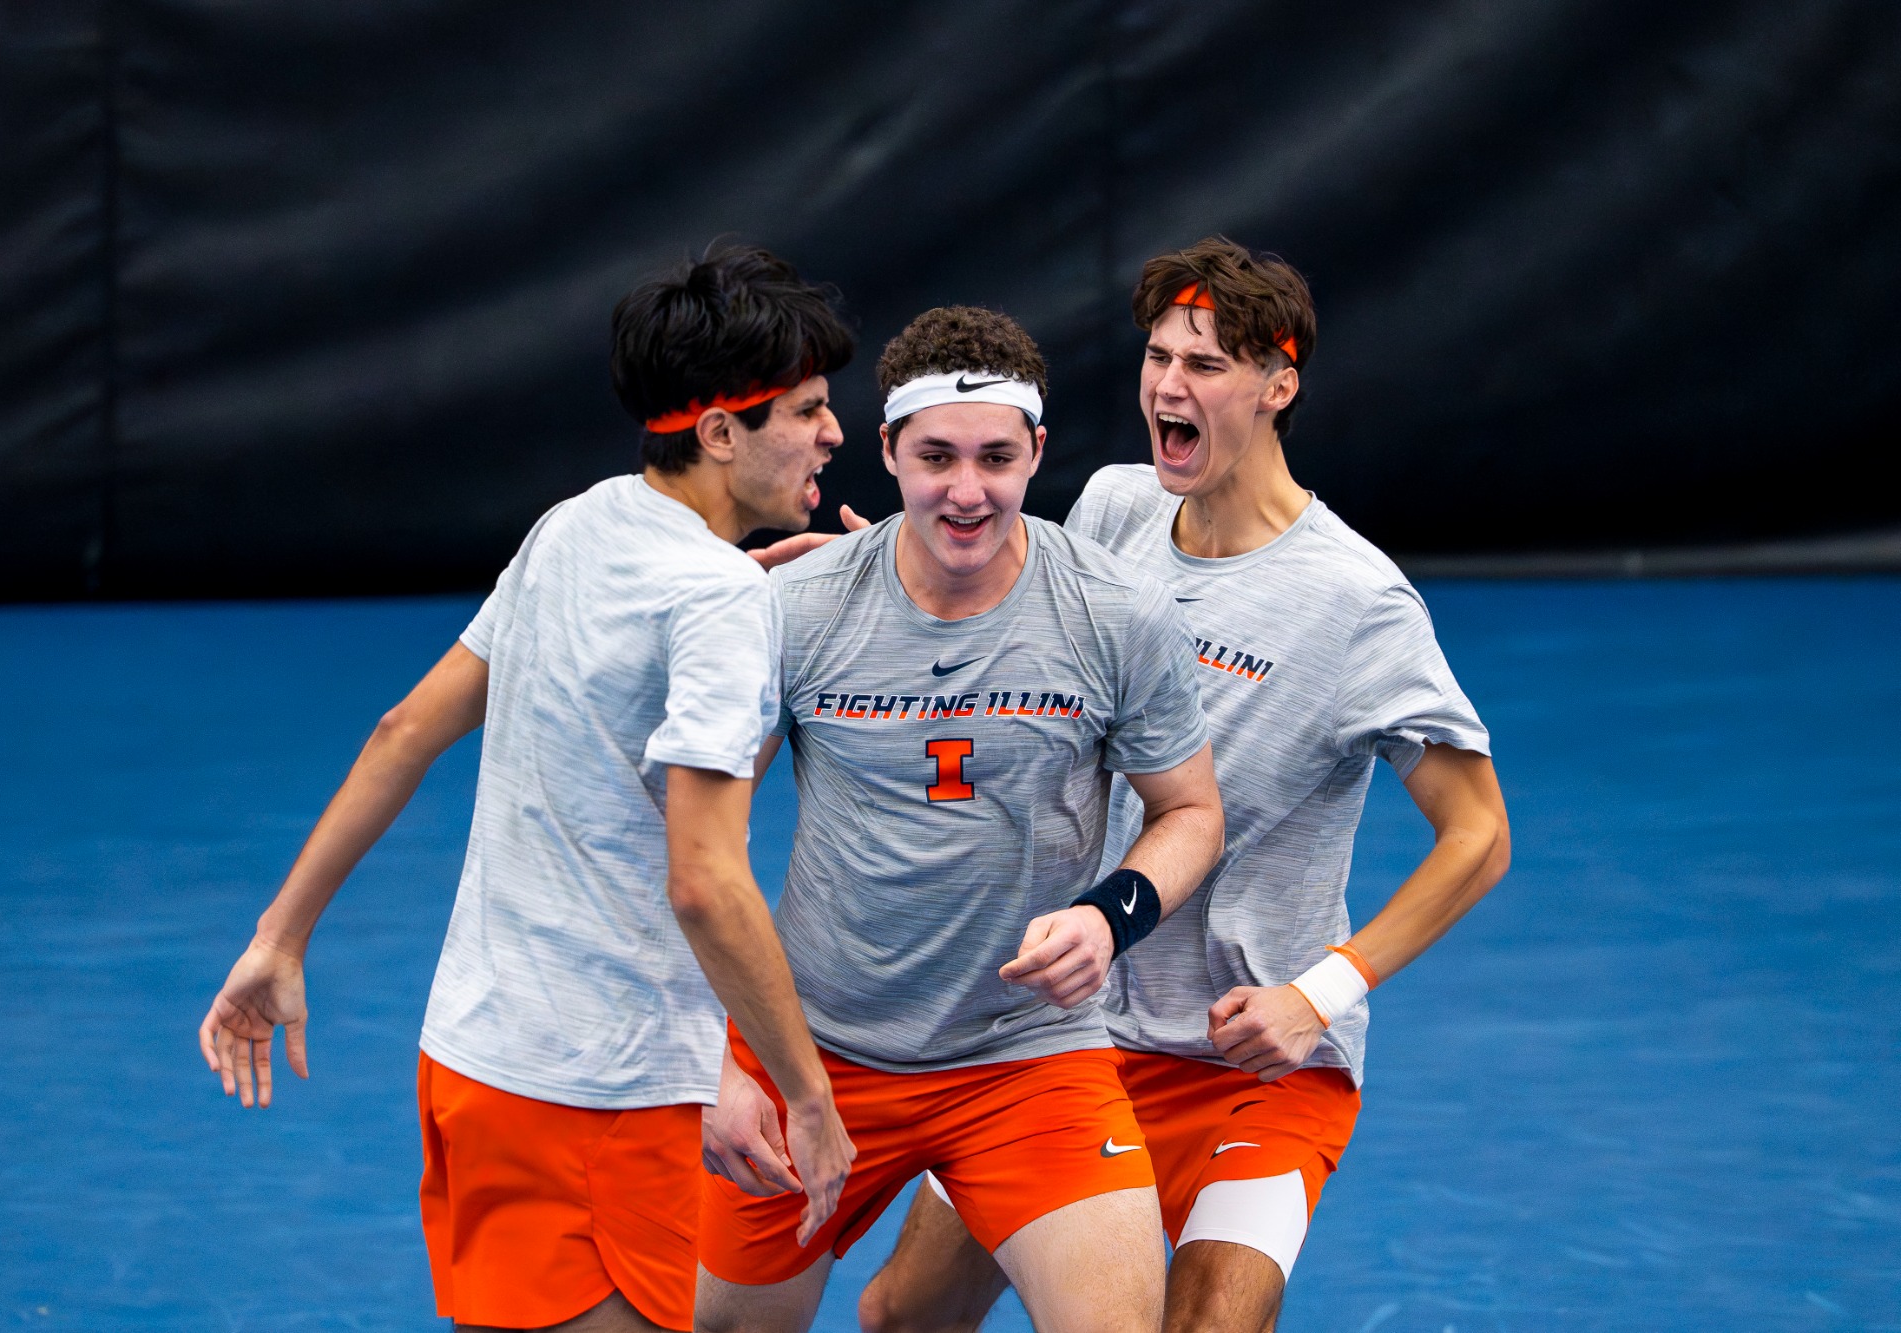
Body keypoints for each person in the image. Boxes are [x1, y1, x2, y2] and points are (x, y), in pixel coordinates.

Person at [197, 243, 861, 1333]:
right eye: (806, 409)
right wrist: (805, 1088)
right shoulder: (712, 605)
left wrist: (280, 935)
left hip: (472, 1062)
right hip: (597, 1100)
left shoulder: (577, 525)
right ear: (719, 432)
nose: (833, 433)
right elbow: (705, 884)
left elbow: (402, 729)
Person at [858, 239, 1513, 1333]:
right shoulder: (1114, 509)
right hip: (1070, 1034)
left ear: (1276, 385)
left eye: (1205, 364)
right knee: (900, 1314)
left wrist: (1321, 994)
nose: (1168, 383)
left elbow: (1477, 836)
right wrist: (873, 585)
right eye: (1157, 355)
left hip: (1252, 1060)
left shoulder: (1357, 603)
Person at [693, 307, 1226, 1333]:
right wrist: (715, 1065)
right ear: (886, 450)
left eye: (994, 456)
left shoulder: (1116, 613)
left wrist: (1107, 916)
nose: (966, 490)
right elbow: (693, 849)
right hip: (810, 1055)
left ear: (1036, 450)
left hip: (1029, 1060)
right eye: (935, 455)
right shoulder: (796, 607)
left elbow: (1189, 812)